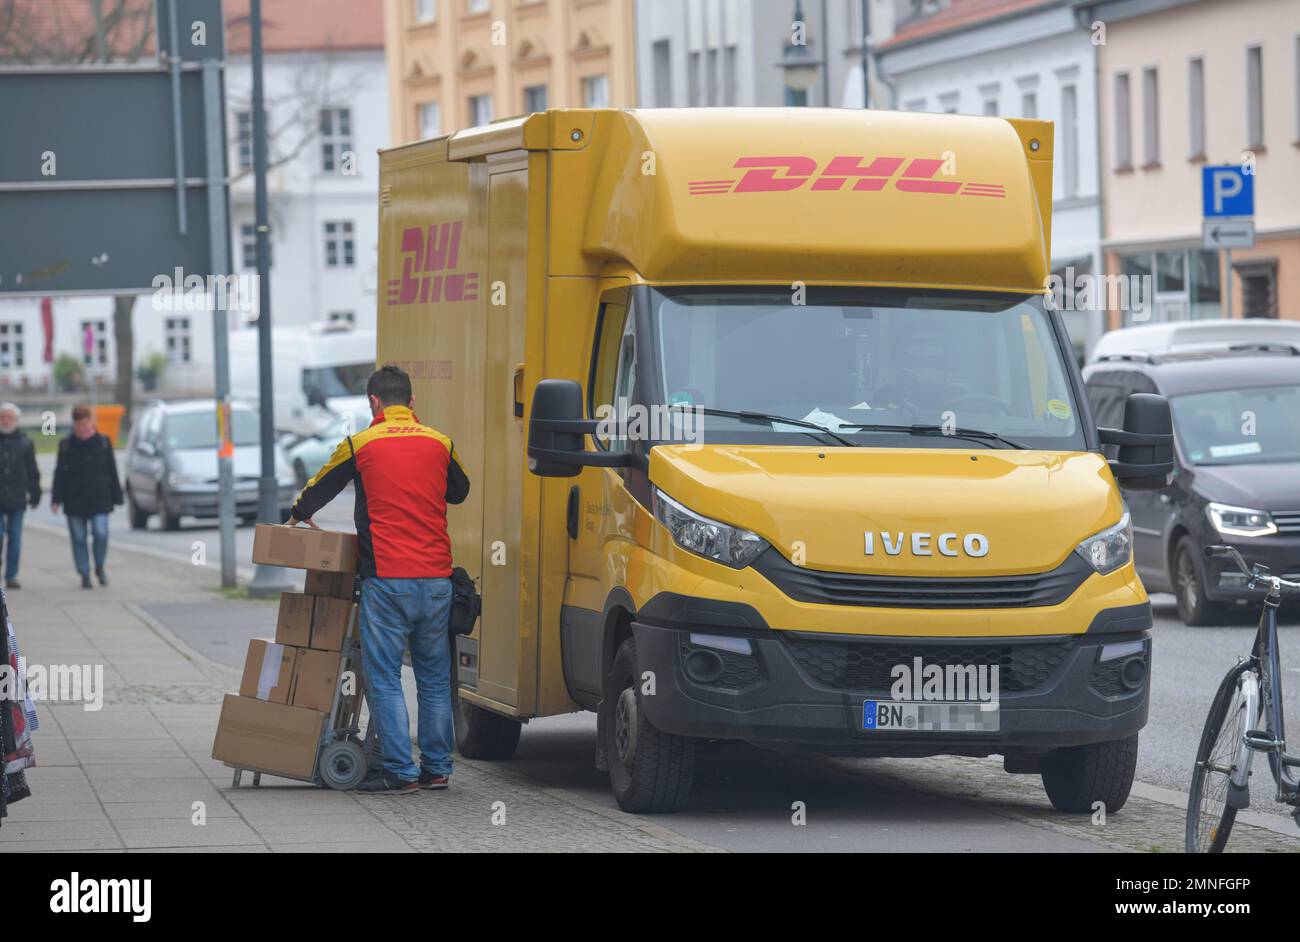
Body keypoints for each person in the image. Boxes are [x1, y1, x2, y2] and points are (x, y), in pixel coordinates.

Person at [288, 364, 469, 795]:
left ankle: (401, 773)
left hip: (386, 581)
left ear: (373, 402)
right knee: (434, 678)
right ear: (411, 402)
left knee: (385, 677)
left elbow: (318, 489)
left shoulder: (361, 443)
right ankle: (438, 769)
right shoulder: (439, 441)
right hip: (437, 581)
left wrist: (297, 514)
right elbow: (458, 491)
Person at [51, 405, 123, 589]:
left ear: (91, 422)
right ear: (74, 425)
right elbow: (59, 474)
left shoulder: (103, 442)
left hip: (99, 498)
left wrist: (117, 495)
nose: (82, 428)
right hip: (74, 499)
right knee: (78, 537)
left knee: (101, 532)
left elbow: (112, 471)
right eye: (78, 424)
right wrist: (56, 499)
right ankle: (84, 573)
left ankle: (99, 566)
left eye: (85, 423)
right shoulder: (66, 445)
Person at [0, 404, 41, 589]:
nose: (6, 420)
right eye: (3, 417)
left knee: (15, 538)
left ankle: (11, 575)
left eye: (9, 417)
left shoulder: (25, 442)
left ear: (16, 420)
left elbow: (32, 470)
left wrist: (35, 493)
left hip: (17, 497)